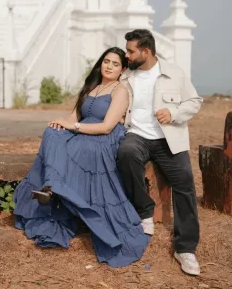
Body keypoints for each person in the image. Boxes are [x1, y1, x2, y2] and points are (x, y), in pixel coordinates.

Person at [13, 47, 150, 267]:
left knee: (76, 149)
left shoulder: (120, 90)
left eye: (115, 64)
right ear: (100, 63)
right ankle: (50, 186)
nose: (109, 66)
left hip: (102, 138)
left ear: (122, 69)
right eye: (106, 61)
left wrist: (74, 126)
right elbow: (74, 116)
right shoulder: (92, 87)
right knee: (52, 133)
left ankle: (54, 186)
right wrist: (62, 123)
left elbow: (106, 127)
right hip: (81, 129)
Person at [117, 29, 202, 276]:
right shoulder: (126, 77)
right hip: (137, 136)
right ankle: (145, 212)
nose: (127, 54)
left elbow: (194, 101)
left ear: (146, 51)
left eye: (131, 50)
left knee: (185, 182)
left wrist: (173, 114)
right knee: (126, 153)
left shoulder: (173, 72)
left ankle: (185, 249)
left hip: (169, 139)